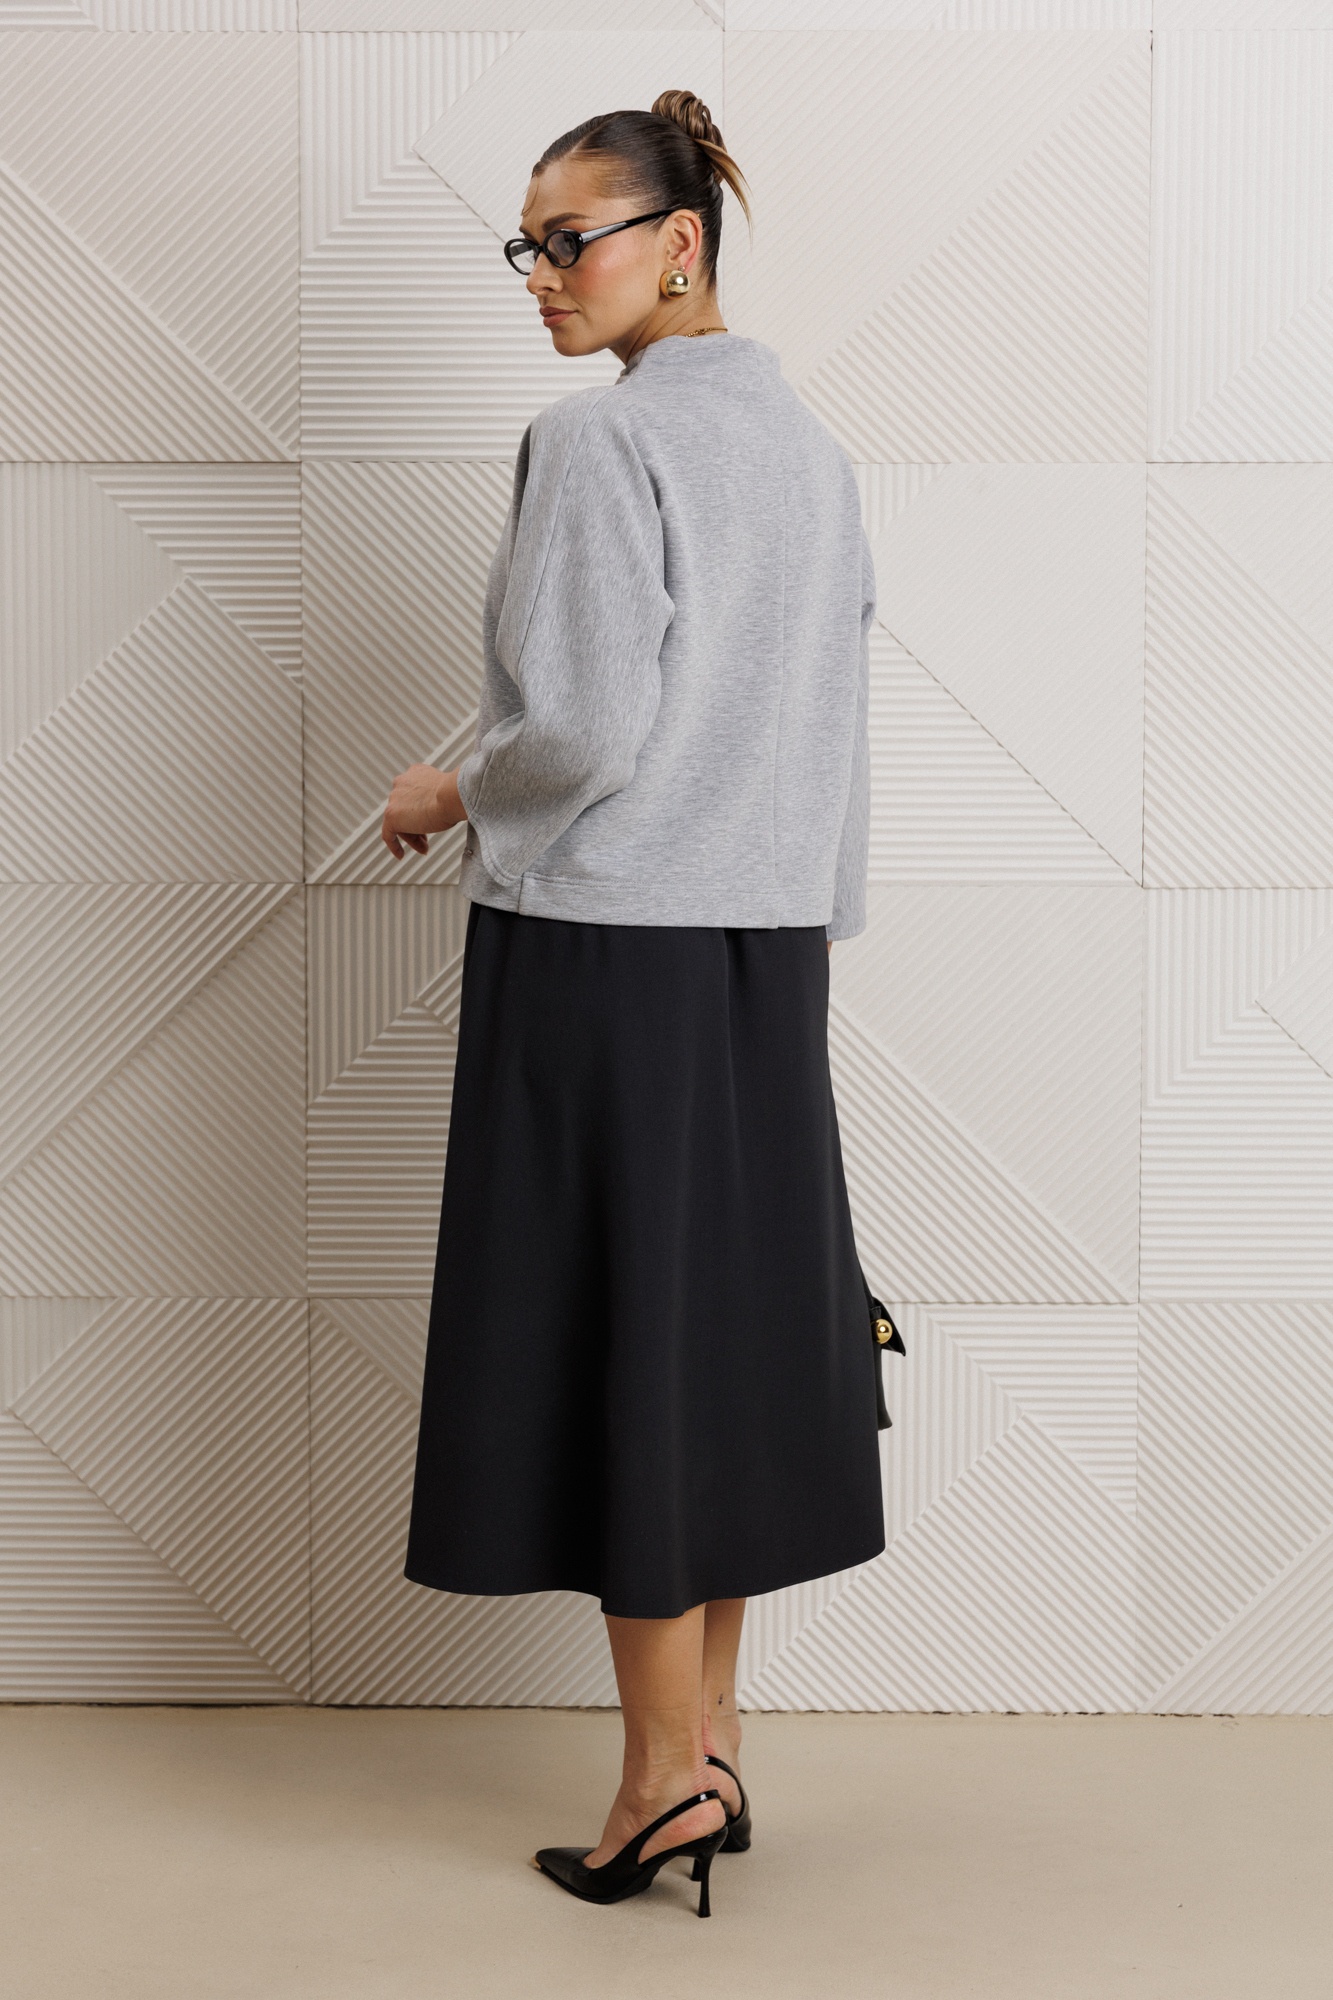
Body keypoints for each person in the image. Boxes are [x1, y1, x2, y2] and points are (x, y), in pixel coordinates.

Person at [380, 89, 883, 1921]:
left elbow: (585, 723)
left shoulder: (602, 445)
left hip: (606, 958)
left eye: (568, 239)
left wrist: (452, 787)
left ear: (678, 243)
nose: (540, 276)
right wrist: (805, 922)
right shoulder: (814, 457)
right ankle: (711, 1749)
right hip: (761, 957)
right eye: (523, 246)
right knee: (715, 1348)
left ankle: (659, 1783)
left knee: (619, 1344)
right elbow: (829, 733)